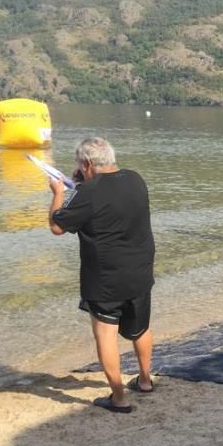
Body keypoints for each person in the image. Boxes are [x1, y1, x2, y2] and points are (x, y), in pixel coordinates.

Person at [47, 137, 155, 413]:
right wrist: (84, 184)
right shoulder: (135, 179)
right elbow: (110, 201)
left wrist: (58, 191)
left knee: (105, 335)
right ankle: (144, 380)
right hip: (140, 270)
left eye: (80, 166)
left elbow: (57, 226)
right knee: (139, 328)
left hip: (105, 278)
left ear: (86, 164)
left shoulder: (89, 192)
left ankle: (119, 398)